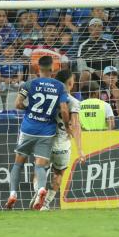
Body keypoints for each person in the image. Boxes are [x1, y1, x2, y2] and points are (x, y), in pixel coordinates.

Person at [7, 55, 72, 211]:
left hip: (28, 129)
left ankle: (13, 194)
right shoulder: (59, 86)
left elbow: (17, 104)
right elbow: (63, 109)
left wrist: (30, 109)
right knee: (40, 167)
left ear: (38, 68)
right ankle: (42, 189)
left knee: (18, 164)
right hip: (47, 131)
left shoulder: (29, 84)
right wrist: (68, 127)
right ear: (52, 69)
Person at [41, 69, 83, 211]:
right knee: (58, 174)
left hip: (45, 143)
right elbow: (75, 126)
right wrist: (80, 149)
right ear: (70, 83)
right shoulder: (74, 102)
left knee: (38, 170)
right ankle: (46, 204)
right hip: (62, 145)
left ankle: (38, 192)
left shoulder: (47, 98)